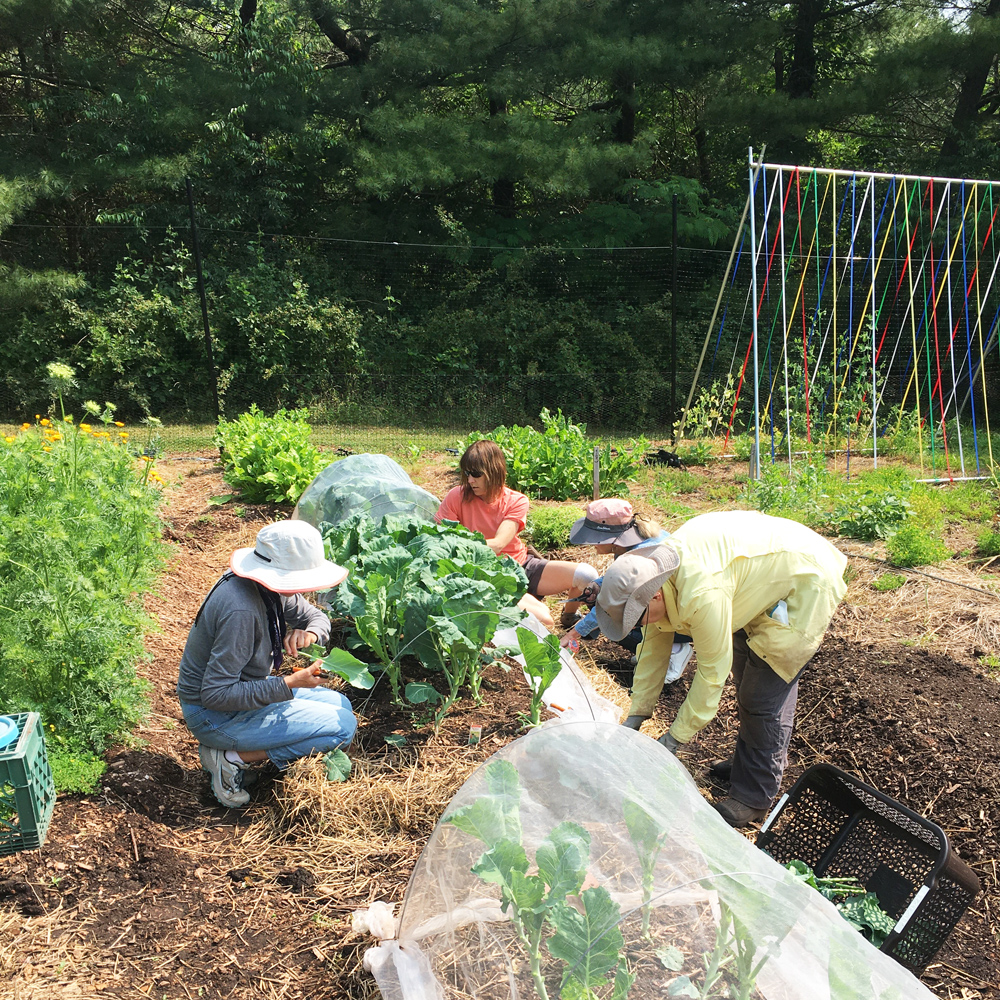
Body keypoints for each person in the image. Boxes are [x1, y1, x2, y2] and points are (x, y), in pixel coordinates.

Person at [594, 511, 847, 828]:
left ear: (654, 595)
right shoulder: (656, 577)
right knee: (747, 679)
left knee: (761, 696)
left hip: (805, 581)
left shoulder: (701, 594)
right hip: (754, 578)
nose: (637, 625)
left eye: (636, 616)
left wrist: (674, 739)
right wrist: (637, 714)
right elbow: (652, 652)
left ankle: (754, 796)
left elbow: (712, 674)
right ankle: (749, 763)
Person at [177, 520, 358, 809]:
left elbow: (318, 617)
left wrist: (308, 632)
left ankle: (250, 753)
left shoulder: (267, 589)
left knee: (341, 707)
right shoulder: (241, 611)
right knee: (342, 728)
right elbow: (215, 694)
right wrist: (289, 684)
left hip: (243, 697)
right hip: (213, 715)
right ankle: (228, 759)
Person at [436, 440, 598, 630]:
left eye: (476, 474)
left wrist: (460, 543)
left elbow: (498, 544)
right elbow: (441, 539)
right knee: (545, 621)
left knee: (587, 575)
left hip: (521, 564)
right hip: (488, 575)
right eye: (467, 473)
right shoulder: (456, 496)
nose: (470, 480)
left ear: (494, 471)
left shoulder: (516, 500)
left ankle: (569, 616)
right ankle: (516, 604)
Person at [559, 499, 693, 682]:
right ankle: (650, 648)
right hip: (667, 609)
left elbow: (618, 602)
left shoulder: (646, 552)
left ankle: (675, 649)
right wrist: (598, 585)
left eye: (594, 539)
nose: (593, 545)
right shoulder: (634, 542)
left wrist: (574, 633)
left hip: (683, 619)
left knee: (614, 621)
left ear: (610, 538)